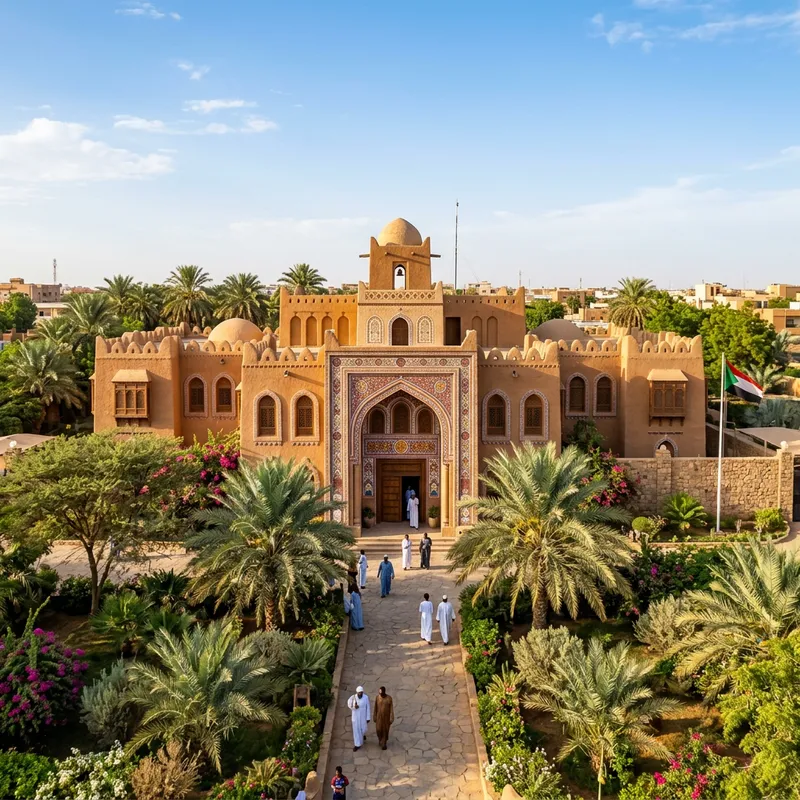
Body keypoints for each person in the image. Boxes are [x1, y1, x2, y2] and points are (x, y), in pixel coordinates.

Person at [347, 686, 370, 751]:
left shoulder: (366, 697)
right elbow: (349, 705)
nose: (360, 694)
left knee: (364, 729)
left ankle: (362, 735)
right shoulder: (353, 697)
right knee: (356, 730)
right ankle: (357, 744)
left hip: (363, 716)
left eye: (361, 692)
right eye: (359, 693)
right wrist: (354, 707)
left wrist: (368, 717)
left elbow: (368, 707)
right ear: (357, 692)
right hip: (355, 717)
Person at [374, 686, 395, 750]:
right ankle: (380, 739)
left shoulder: (389, 698)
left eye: (381, 692)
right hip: (379, 717)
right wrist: (374, 716)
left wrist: (391, 717)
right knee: (378, 730)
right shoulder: (377, 698)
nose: (380, 694)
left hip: (386, 718)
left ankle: (384, 743)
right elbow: (375, 708)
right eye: (379, 692)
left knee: (385, 730)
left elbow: (391, 708)